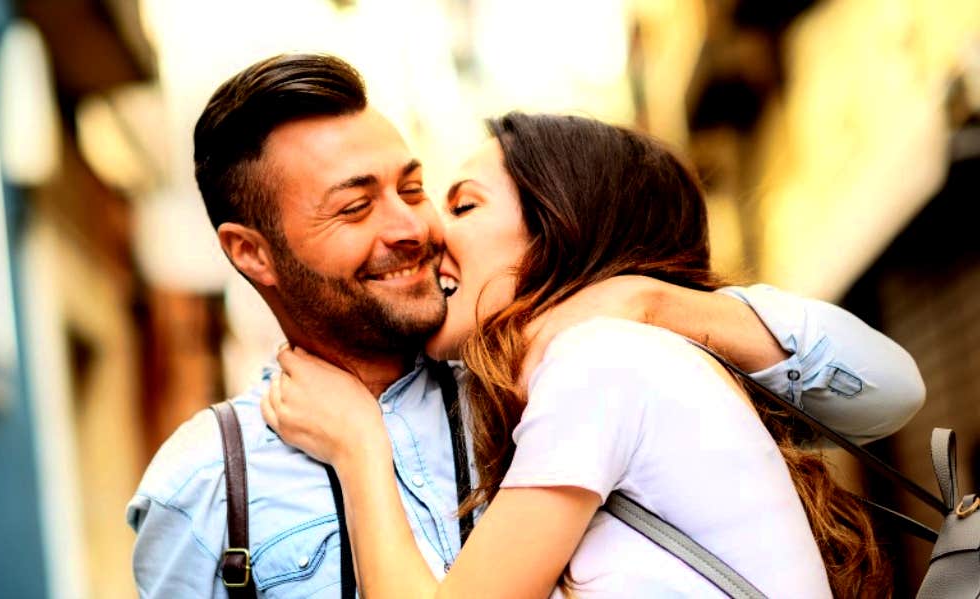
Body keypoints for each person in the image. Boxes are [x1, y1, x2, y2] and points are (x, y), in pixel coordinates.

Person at [126, 54, 923, 598]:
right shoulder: (203, 482)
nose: (416, 226)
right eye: (356, 204)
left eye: (418, 188)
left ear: (554, 229)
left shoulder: (547, 380)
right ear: (251, 253)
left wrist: (647, 300)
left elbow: (890, 393)